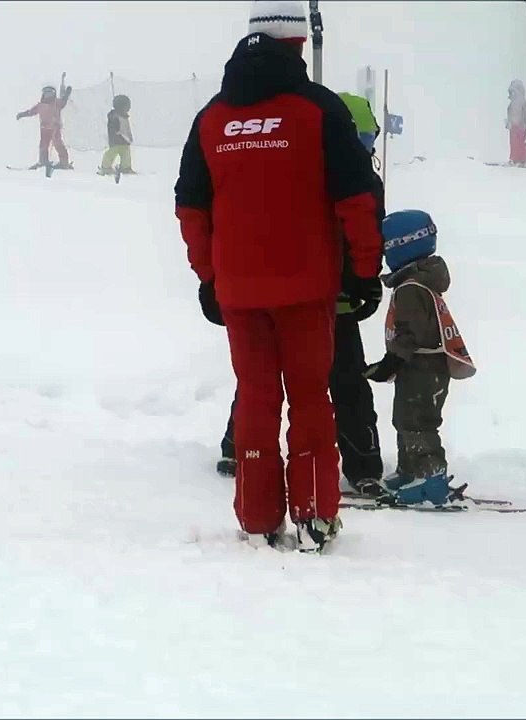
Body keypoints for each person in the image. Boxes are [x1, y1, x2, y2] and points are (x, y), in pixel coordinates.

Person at [174, 0, 385, 550]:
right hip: (307, 287)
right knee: (311, 396)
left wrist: (208, 277)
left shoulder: (212, 117)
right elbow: (357, 198)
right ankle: (314, 515)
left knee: (256, 397)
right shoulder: (319, 109)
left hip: (240, 291)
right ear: (297, 45)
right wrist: (363, 271)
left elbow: (191, 207)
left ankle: (258, 515)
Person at [215, 92, 387, 498]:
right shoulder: (312, 173)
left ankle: (362, 464)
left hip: (332, 299)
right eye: (363, 141)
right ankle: (240, 448)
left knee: (319, 381)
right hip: (314, 297)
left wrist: (365, 277)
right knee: (282, 379)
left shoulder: (329, 172)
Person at [363, 210, 475, 506]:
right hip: (425, 366)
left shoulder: (411, 287)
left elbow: (410, 332)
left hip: (423, 366)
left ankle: (431, 478)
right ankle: (409, 469)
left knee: (417, 422)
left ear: (401, 245)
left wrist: (392, 362)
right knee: (404, 417)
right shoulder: (418, 280)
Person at [16, 84, 73, 170]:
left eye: (49, 94)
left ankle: (64, 163)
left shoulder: (56, 103)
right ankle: (43, 161)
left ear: (53, 94)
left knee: (58, 143)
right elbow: (31, 112)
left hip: (55, 127)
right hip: (44, 128)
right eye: (46, 94)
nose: (47, 96)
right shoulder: (40, 105)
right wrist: (22, 114)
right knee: (43, 145)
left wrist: (67, 94)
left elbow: (63, 102)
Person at [99, 95, 134, 175]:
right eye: (126, 106)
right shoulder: (114, 116)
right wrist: (117, 132)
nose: (128, 109)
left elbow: (126, 128)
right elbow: (114, 128)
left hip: (124, 140)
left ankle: (125, 167)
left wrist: (129, 136)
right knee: (111, 153)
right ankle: (106, 167)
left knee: (126, 153)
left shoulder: (125, 116)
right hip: (116, 140)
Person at [505, 80, 526, 166]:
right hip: (513, 127)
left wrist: (524, 123)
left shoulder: (523, 103)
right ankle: (514, 158)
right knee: (513, 143)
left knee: (519, 143)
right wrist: (509, 122)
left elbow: (525, 115)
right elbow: (509, 114)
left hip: (520, 127)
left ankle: (522, 159)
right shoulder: (511, 104)